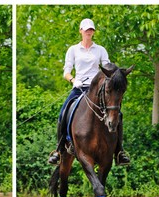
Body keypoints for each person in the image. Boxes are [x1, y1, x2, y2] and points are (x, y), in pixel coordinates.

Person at [47, 18, 130, 166]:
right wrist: (73, 80)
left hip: (97, 89)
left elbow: (108, 68)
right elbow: (66, 71)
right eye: (86, 30)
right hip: (79, 87)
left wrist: (117, 73)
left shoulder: (100, 50)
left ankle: (119, 152)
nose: (89, 32)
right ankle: (59, 151)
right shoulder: (73, 50)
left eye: (91, 30)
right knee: (63, 112)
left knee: (119, 115)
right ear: (81, 31)